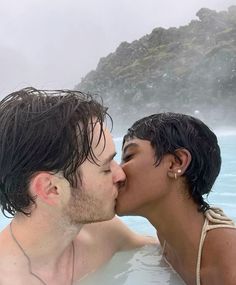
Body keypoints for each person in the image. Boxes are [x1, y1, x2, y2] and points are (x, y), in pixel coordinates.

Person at [0, 87, 156, 285]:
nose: (121, 174)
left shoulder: (102, 232)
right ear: (51, 189)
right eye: (106, 168)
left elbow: (167, 252)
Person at [116, 112, 236, 285]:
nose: (118, 172)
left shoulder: (228, 264)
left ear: (175, 163)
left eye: (128, 156)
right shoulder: (167, 238)